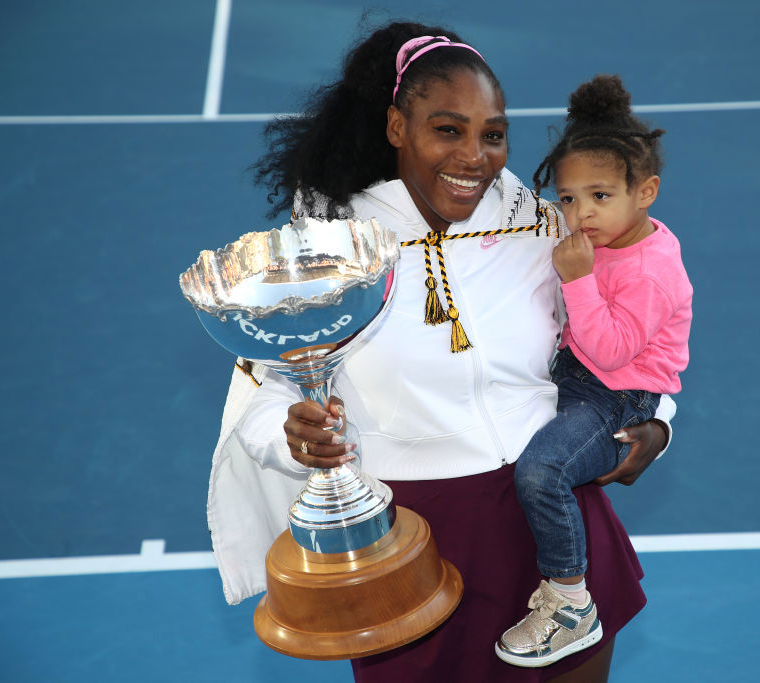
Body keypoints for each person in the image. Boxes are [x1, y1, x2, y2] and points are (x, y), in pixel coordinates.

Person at [207, 22, 677, 682]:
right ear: (398, 128)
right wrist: (293, 434)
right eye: (447, 130)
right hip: (415, 549)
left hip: (554, 535)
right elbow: (265, 393)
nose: (476, 157)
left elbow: (636, 326)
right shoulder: (331, 248)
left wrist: (659, 425)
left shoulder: (542, 225)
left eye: (493, 134)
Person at [494, 75, 693, 669]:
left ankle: (569, 601)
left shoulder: (650, 270)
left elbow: (609, 352)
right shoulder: (601, 239)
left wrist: (579, 280)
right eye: (569, 198)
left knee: (542, 468)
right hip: (575, 376)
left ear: (646, 191)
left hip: (615, 396)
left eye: (600, 196)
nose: (580, 215)